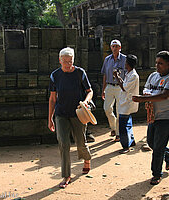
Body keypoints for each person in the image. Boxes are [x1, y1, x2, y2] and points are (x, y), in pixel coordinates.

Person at [132, 51, 169, 185]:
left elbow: (164, 95)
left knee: (158, 148)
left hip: (166, 116)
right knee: (153, 143)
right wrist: (145, 96)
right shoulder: (153, 76)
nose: (158, 66)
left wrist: (143, 99)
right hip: (153, 115)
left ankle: (156, 174)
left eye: (161, 64)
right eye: (156, 63)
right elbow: (146, 89)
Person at [48, 47, 93, 189]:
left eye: (70, 61)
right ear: (60, 60)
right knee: (63, 143)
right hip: (61, 113)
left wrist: (86, 101)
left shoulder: (80, 73)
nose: (68, 64)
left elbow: (89, 91)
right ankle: (66, 175)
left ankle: (86, 159)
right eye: (65, 61)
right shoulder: (55, 75)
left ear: (73, 60)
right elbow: (52, 99)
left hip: (78, 113)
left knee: (80, 142)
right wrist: (50, 118)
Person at [113, 54, 139, 154]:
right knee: (128, 123)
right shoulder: (129, 73)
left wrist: (116, 76)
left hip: (127, 103)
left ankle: (125, 146)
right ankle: (131, 141)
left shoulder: (133, 75)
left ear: (128, 63)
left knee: (123, 126)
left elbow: (124, 87)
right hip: (125, 102)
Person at [101, 39, 126, 141]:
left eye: (117, 46)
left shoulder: (124, 59)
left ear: (120, 48)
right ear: (110, 48)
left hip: (120, 87)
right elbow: (105, 75)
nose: (115, 48)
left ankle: (118, 133)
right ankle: (114, 128)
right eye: (113, 46)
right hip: (110, 86)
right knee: (107, 108)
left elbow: (128, 74)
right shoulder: (107, 59)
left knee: (119, 110)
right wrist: (103, 89)